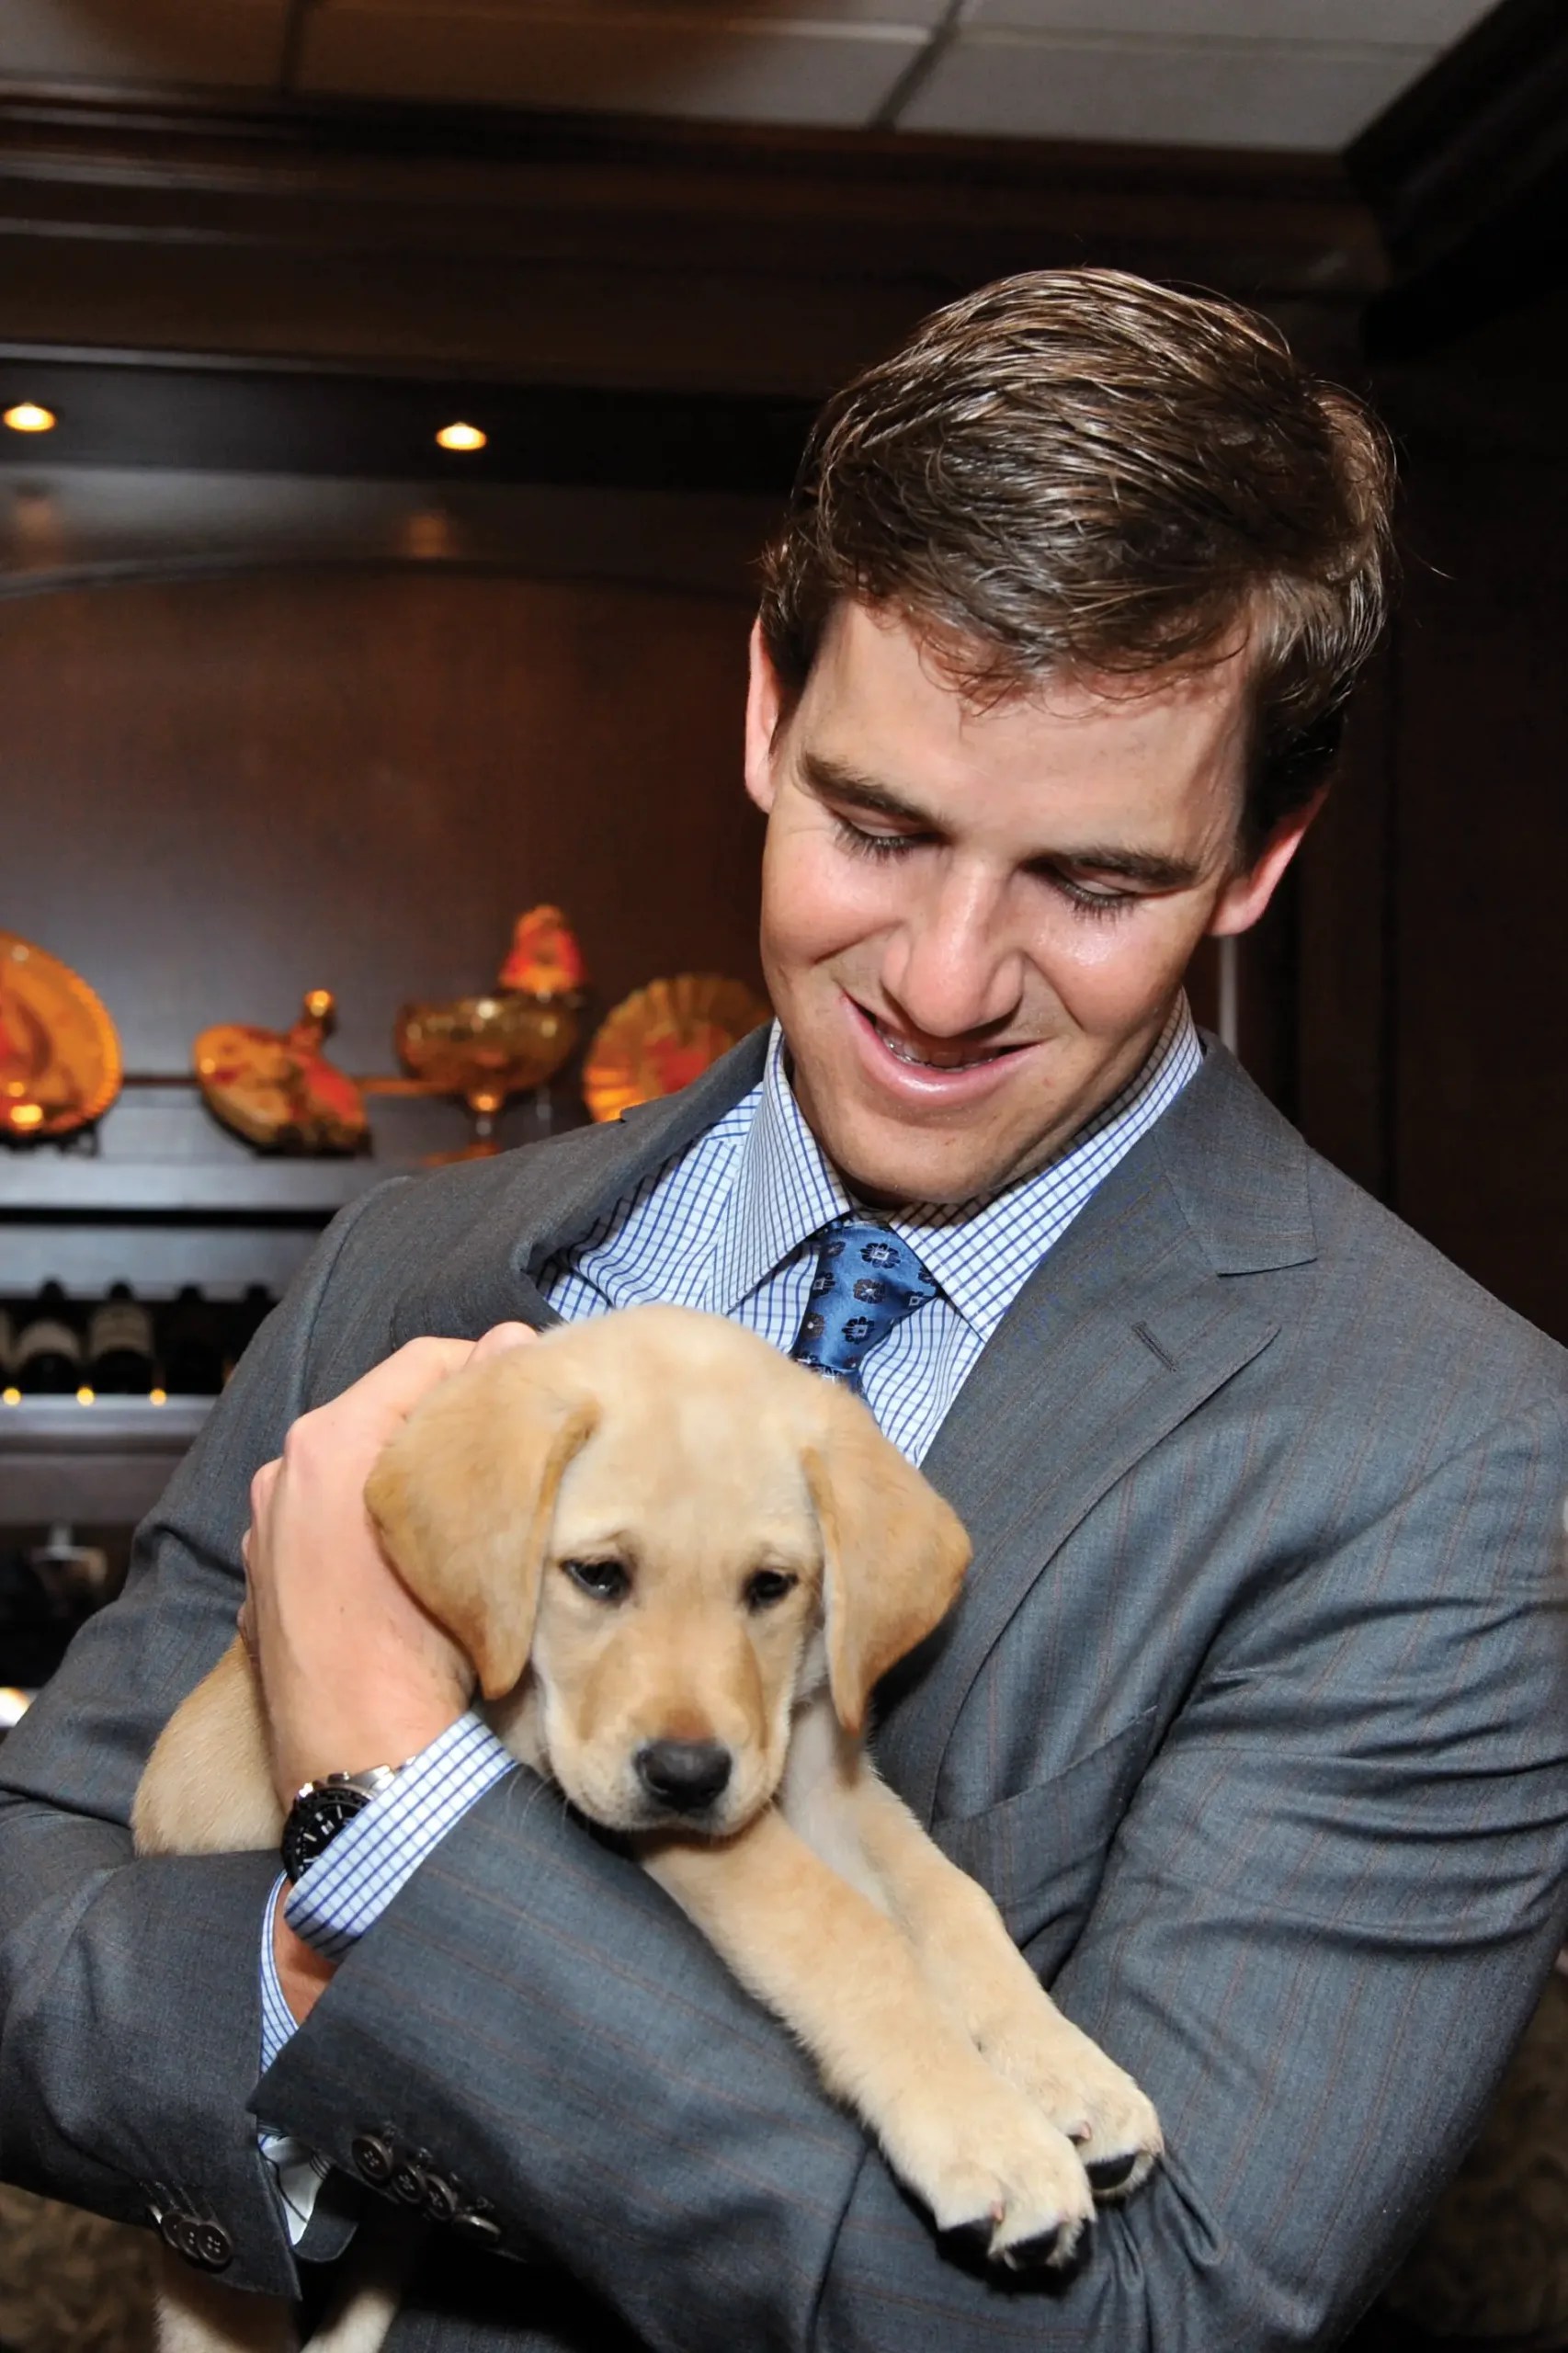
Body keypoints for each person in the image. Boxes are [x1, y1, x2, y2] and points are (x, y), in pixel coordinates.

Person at [3, 267, 1566, 2352]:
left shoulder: (1445, 1455)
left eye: (1090, 884)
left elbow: (1141, 2322)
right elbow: (27, 1912)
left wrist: (400, 1821)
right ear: (763, 713)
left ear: (1257, 856)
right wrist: (297, 1980)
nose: (939, 975)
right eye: (875, 823)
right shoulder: (413, 1261)